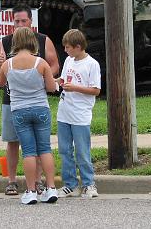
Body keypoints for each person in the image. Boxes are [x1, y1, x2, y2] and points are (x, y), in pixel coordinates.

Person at [0, 3, 60, 196]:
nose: (20, 24)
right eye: (17, 21)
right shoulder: (3, 42)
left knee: (33, 148)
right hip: (12, 102)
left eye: (24, 20)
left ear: (31, 21)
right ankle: (13, 181)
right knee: (15, 142)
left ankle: (36, 184)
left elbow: (54, 65)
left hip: (26, 104)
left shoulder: (43, 40)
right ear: (12, 23)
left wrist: (40, 76)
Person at [56, 29, 101, 198]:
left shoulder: (92, 64)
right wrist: (56, 82)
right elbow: (63, 79)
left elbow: (95, 90)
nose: (65, 50)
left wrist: (75, 87)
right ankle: (70, 184)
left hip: (80, 114)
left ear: (78, 46)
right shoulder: (69, 60)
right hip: (64, 112)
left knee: (82, 151)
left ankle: (89, 183)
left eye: (68, 47)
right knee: (65, 150)